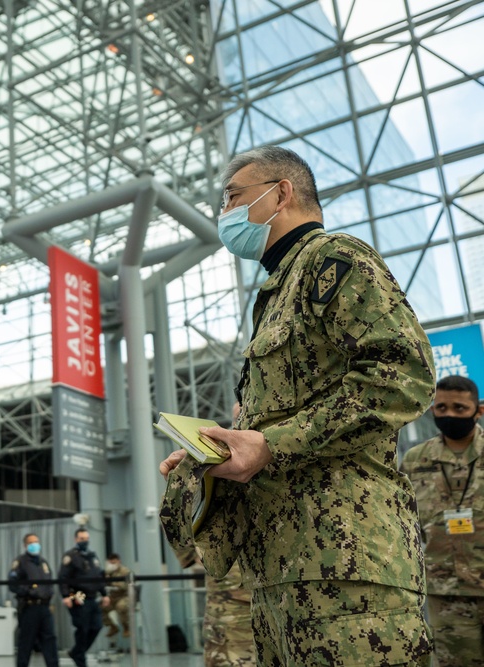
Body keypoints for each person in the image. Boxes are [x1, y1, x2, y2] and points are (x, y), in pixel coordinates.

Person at [158, 145, 435, 665]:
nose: (225, 213)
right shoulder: (278, 290)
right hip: (282, 571)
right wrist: (216, 457)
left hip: (346, 568)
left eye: (234, 197)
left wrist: (269, 444)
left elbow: (402, 374)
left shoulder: (334, 260)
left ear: (281, 192)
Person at [401, 375, 484, 667]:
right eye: (441, 407)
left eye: (459, 408)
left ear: (479, 411)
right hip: (445, 592)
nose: (449, 414)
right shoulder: (414, 461)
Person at [59, 528, 110, 667]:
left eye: (86, 538)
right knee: (82, 627)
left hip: (92, 596)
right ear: (76, 539)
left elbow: (98, 577)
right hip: (77, 594)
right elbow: (63, 578)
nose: (84, 541)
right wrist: (66, 596)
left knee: (97, 626)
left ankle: (77, 652)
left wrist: (104, 594)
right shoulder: (71, 556)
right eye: (82, 538)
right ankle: (80, 660)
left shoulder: (92, 556)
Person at [8, 533, 58, 667]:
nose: (35, 545)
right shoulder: (20, 562)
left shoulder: (43, 562)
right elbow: (13, 584)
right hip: (29, 607)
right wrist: (29, 591)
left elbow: (49, 582)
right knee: (26, 642)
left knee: (50, 639)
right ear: (25, 545)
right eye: (31, 543)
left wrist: (49, 594)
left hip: (45, 607)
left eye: (36, 542)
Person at [101, 553, 130, 640]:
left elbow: (125, 586)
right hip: (112, 596)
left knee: (121, 607)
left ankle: (126, 627)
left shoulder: (125, 571)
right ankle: (112, 627)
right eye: (110, 563)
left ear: (118, 561)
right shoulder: (108, 572)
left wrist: (112, 582)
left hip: (124, 596)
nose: (112, 565)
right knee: (99, 608)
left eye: (114, 563)